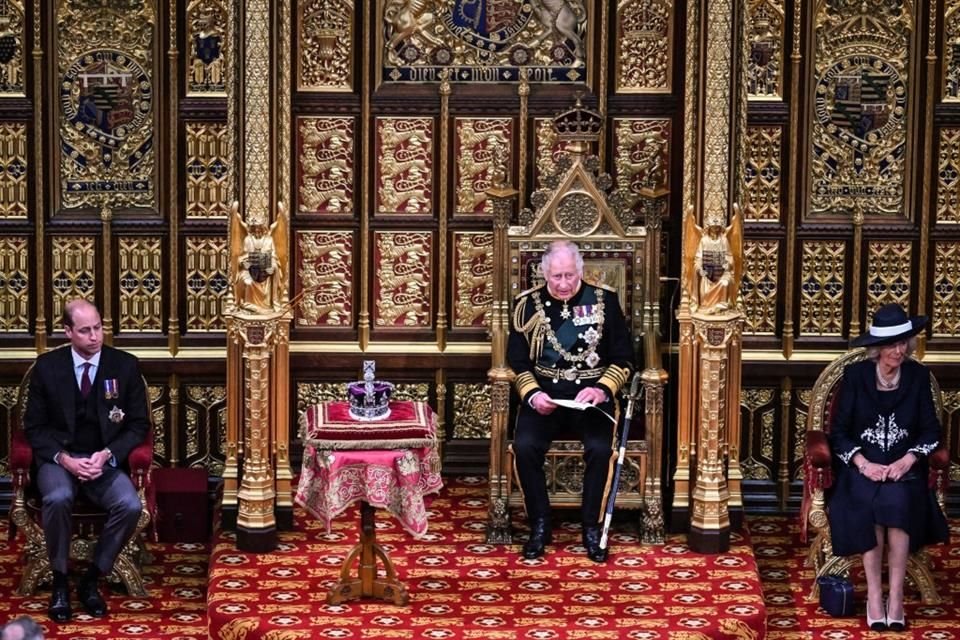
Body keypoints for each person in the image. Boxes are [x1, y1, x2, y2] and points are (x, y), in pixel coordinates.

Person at [22, 299, 149, 622]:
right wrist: (64, 460)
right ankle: (61, 581)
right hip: (59, 460)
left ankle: (92, 578)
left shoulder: (124, 366)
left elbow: (138, 425)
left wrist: (108, 455)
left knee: (130, 505)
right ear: (68, 332)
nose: (94, 336)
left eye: (98, 328)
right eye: (85, 331)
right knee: (58, 496)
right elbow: (34, 428)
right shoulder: (47, 368)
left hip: (102, 459)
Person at [507, 240, 633, 563]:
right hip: (545, 397)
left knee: (600, 449)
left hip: (590, 398)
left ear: (581, 271)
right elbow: (518, 362)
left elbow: (624, 358)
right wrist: (533, 395)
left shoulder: (605, 301)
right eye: (556, 277)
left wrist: (602, 390)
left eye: (569, 276)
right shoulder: (527, 306)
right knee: (525, 446)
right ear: (544, 274)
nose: (563, 284)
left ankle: (590, 527)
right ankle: (540, 525)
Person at [828, 303, 949, 632]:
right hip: (862, 469)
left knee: (896, 505)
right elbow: (838, 433)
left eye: (903, 344)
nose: (898, 351)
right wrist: (863, 463)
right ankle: (874, 598)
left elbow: (930, 431)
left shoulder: (918, 376)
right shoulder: (855, 377)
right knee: (868, 505)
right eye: (891, 345)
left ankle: (895, 598)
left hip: (903, 469)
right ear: (877, 348)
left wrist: (907, 459)